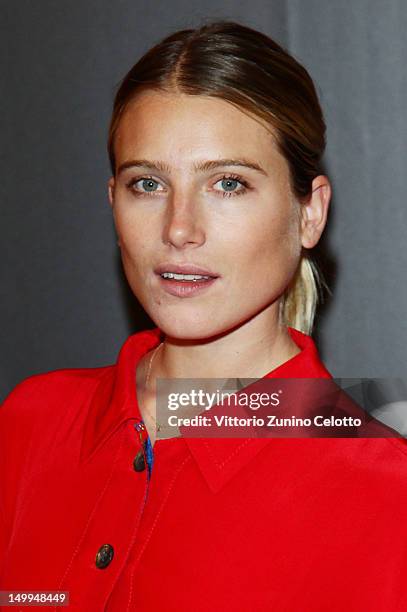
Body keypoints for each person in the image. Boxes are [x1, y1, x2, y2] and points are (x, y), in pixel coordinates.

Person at [1, 20, 406, 612]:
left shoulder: (385, 496)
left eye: (228, 184)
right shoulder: (29, 424)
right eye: (147, 183)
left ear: (310, 213)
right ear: (111, 199)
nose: (179, 230)